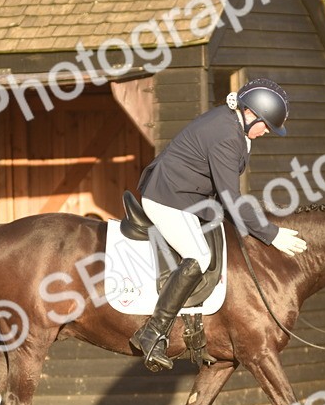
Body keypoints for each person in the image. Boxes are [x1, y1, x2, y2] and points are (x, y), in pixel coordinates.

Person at [130, 78, 307, 371]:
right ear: (251, 114)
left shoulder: (235, 126)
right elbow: (231, 200)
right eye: (266, 126)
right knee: (199, 255)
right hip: (167, 198)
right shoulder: (227, 135)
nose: (267, 133)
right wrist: (270, 233)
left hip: (190, 196)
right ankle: (152, 332)